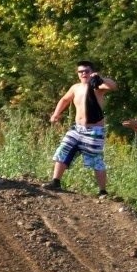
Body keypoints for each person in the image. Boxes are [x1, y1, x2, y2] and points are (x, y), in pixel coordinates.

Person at [44, 60, 118, 197]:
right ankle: (55, 181)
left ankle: (103, 191)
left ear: (91, 72)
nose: (83, 73)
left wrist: (100, 77)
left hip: (94, 130)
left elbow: (113, 86)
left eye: (86, 71)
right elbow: (65, 100)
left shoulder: (97, 86)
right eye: (80, 71)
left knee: (96, 160)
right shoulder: (75, 88)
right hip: (77, 129)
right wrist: (56, 114)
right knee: (63, 149)